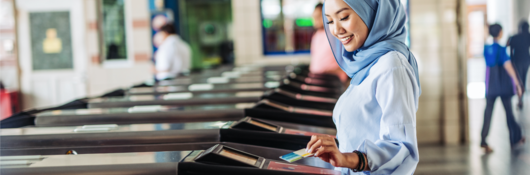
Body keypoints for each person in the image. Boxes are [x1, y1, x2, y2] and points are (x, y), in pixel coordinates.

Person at [305, 0, 421, 174]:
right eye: (329, 21)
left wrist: (348, 159)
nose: (336, 30)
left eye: (343, 17)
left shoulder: (392, 65)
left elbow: (401, 148)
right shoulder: (366, 64)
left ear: (373, 14)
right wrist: (335, 147)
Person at [480, 24, 525, 153]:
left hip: (490, 86)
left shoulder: (486, 48)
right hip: (503, 87)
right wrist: (517, 83)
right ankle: (515, 138)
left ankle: (483, 140)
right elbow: (508, 67)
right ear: (500, 33)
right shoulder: (501, 49)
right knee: (509, 113)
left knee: (487, 113)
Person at [309, 3, 348, 82]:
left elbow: (346, 60)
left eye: (318, 16)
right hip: (316, 79)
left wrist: (329, 71)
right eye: (314, 17)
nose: (315, 20)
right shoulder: (316, 36)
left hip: (333, 80)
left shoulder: (335, 34)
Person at [507, 21, 530, 107]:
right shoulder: (528, 36)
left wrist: (512, 61)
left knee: (518, 79)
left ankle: (520, 98)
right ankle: (521, 97)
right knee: (522, 79)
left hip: (517, 61)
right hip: (526, 60)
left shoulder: (514, 37)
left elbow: (510, 49)